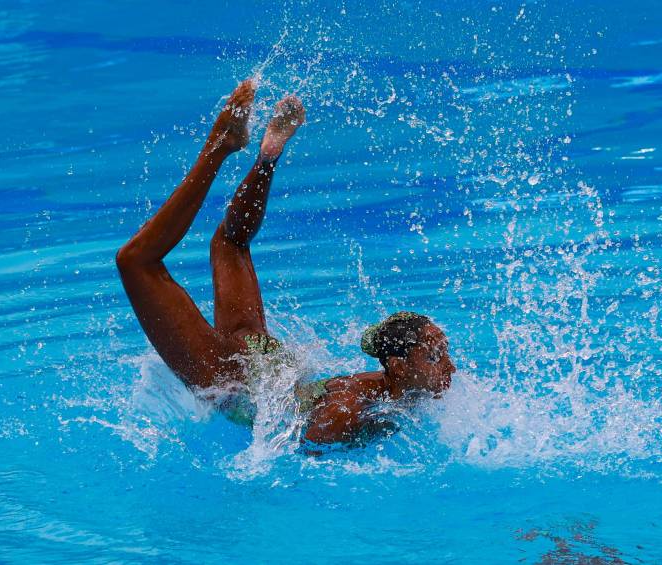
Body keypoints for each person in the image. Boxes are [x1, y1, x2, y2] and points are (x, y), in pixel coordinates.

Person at [116, 80, 456, 445]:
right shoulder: (354, 408)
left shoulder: (387, 389)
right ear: (400, 367)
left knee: (229, 243)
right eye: (437, 355)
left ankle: (268, 157)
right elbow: (307, 447)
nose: (451, 367)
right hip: (234, 380)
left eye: (443, 353)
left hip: (264, 366)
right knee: (136, 261)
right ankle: (222, 145)